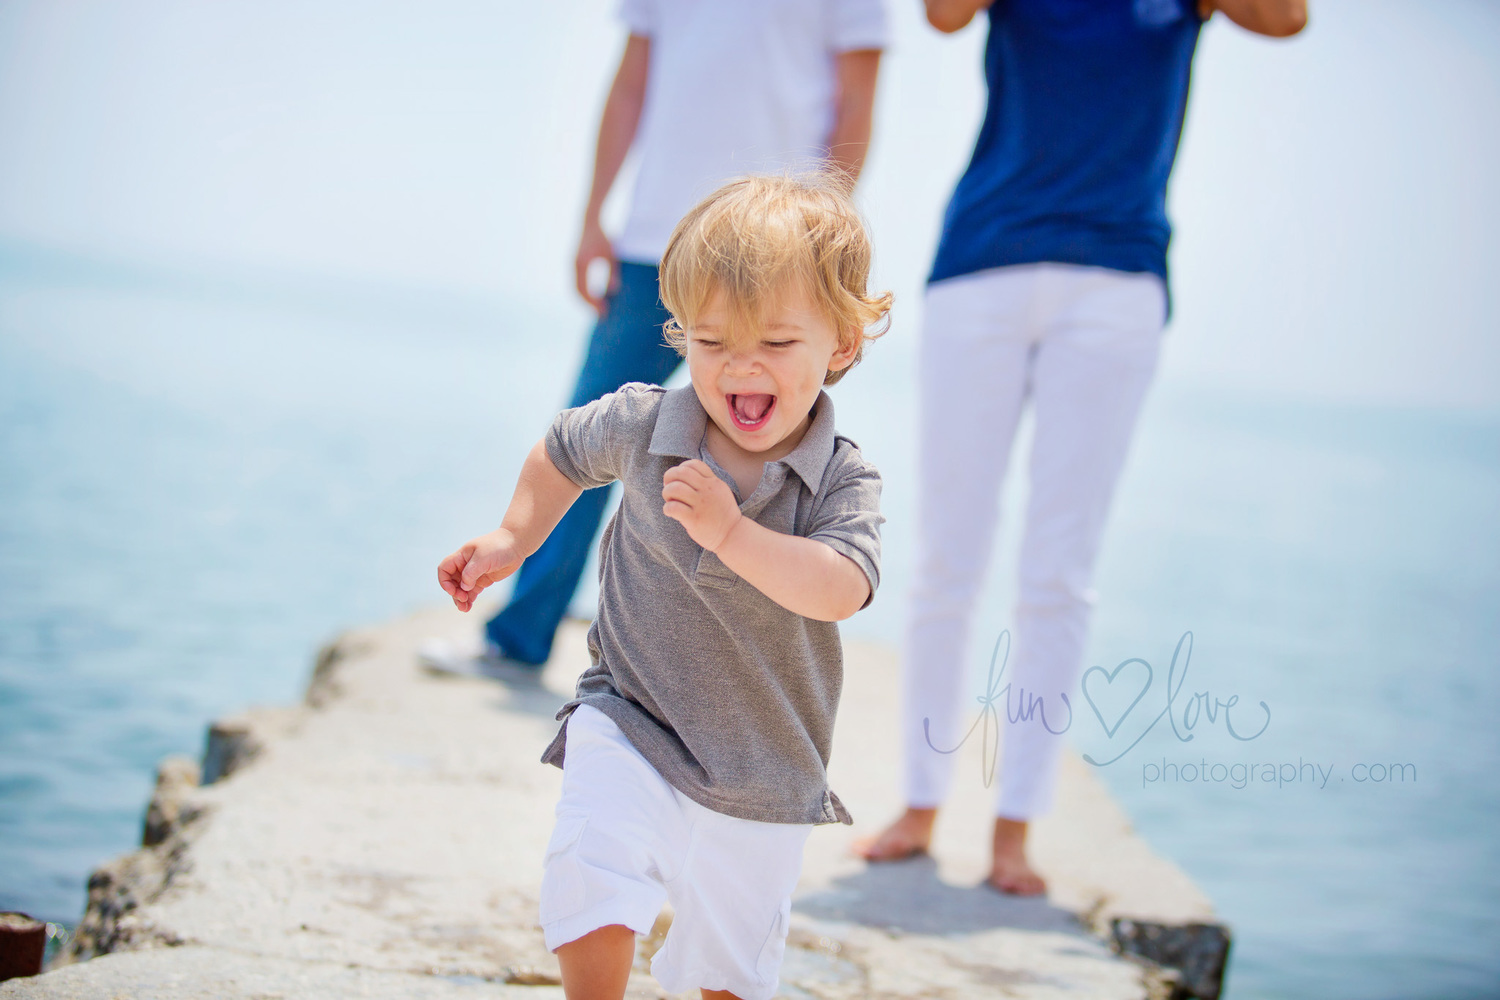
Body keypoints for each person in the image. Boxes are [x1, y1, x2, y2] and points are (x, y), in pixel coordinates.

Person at [854, 0, 1308, 894]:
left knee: (1058, 573)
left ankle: (1014, 829)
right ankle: (919, 803)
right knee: (948, 558)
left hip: (1116, 282)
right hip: (983, 265)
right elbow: (942, 17)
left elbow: (1287, 18)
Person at [436, 175, 890, 1000]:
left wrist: (733, 534)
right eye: (713, 343)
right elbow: (562, 452)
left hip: (765, 762)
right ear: (682, 335)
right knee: (591, 858)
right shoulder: (645, 424)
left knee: (731, 963)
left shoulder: (843, 479)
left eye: (777, 344)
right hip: (632, 711)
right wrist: (514, 536)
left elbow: (841, 587)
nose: (740, 367)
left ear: (843, 343)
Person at [423, 0, 886, 676]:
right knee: (599, 430)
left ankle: (731, 675)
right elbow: (632, 84)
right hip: (656, 244)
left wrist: (818, 253)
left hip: (782, 259)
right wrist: (591, 215)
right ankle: (519, 636)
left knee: (771, 457)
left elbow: (856, 104)